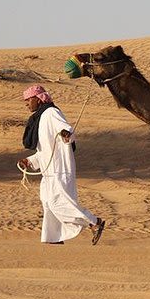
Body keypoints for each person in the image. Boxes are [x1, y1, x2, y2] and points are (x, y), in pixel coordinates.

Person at [18, 85, 105, 245]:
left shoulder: (51, 113)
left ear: (38, 99)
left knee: (57, 202)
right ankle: (54, 237)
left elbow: (66, 130)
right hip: (48, 171)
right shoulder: (41, 118)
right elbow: (46, 149)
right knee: (47, 202)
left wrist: (66, 134)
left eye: (29, 100)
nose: (26, 104)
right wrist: (30, 161)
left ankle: (94, 222)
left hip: (60, 169)